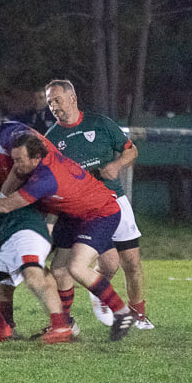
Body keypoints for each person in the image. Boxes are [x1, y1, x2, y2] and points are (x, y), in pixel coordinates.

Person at [0, 134, 136, 341]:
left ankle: (122, 313)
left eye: (19, 160)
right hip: (72, 215)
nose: (15, 165)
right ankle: (63, 326)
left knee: (77, 268)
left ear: (36, 158)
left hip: (99, 213)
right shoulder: (44, 161)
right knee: (57, 270)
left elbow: (6, 205)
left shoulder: (45, 178)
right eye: (14, 159)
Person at [43, 79, 153, 329]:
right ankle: (87, 305)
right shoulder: (52, 139)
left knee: (131, 262)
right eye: (49, 102)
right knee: (93, 264)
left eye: (57, 100)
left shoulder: (100, 124)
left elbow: (131, 150)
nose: (53, 106)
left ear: (73, 97)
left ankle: (137, 314)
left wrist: (116, 166)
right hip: (83, 209)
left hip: (114, 198)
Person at [0, 106, 61, 333]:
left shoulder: (11, 134)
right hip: (11, 220)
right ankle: (3, 327)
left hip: (32, 218)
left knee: (38, 273)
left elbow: (12, 187)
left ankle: (62, 325)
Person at [0, 206, 74, 344]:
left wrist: (49, 224)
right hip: (6, 243)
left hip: (26, 231)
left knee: (34, 276)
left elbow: (8, 200)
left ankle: (60, 327)